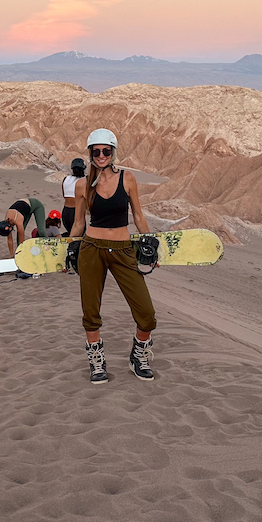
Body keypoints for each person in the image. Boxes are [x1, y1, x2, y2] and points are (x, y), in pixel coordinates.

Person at [68, 128, 157, 384]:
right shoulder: (82, 185)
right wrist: (70, 249)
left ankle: (138, 356)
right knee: (91, 311)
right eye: (95, 151)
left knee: (146, 313)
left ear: (113, 152)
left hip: (123, 249)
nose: (101, 155)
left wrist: (150, 243)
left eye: (105, 151)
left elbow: (138, 216)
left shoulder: (127, 178)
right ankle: (97, 362)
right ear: (90, 154)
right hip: (91, 249)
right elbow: (78, 224)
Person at [61, 157, 86, 235]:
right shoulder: (83, 181)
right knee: (80, 237)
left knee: (70, 234)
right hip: (76, 212)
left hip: (65, 211)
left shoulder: (66, 179)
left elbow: (64, 195)